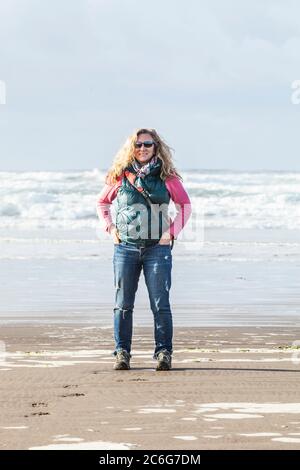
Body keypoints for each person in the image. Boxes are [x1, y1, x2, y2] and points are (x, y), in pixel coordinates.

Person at [96, 128, 191, 371]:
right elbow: (102, 203)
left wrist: (170, 233)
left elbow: (185, 207)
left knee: (160, 304)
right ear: (131, 147)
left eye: (147, 144)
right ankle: (122, 353)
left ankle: (163, 353)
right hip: (125, 248)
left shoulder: (168, 177)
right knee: (123, 304)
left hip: (157, 250)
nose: (142, 148)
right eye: (138, 145)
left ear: (155, 147)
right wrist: (111, 229)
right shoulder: (120, 175)